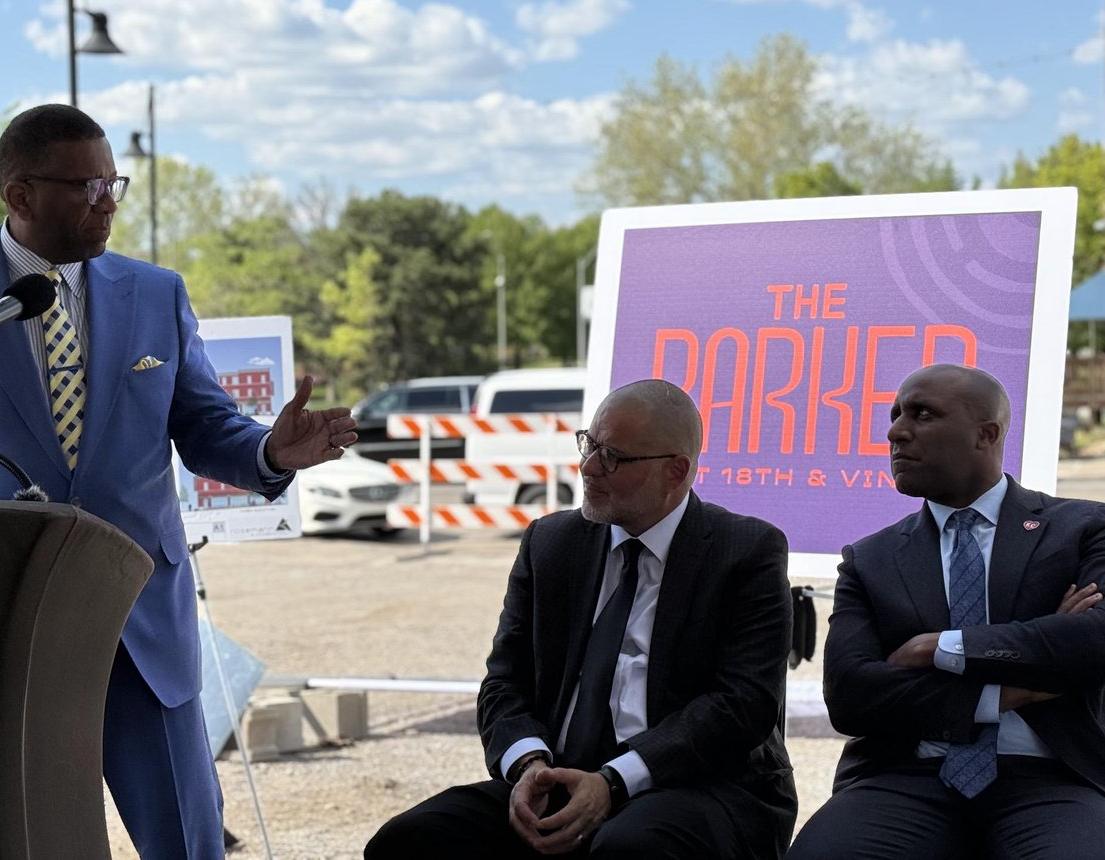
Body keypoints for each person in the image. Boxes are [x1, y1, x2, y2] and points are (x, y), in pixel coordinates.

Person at [0, 104, 358, 859]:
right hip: (5, 619)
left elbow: (208, 429)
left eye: (112, 180)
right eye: (86, 186)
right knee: (22, 839)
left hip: (143, 622)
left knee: (187, 843)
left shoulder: (156, 292)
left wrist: (273, 453)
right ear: (20, 196)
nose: (108, 200)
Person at [366, 379, 797, 859]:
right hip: (558, 775)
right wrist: (530, 765)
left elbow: (742, 706)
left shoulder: (745, 551)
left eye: (613, 456)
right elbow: (503, 684)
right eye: (589, 444)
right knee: (408, 840)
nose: (588, 467)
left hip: (696, 783)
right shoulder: (552, 543)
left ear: (676, 472)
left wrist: (614, 781)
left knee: (627, 848)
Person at [788, 364, 1105, 860]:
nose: (896, 431)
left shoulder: (1081, 528)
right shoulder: (870, 559)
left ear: (987, 434)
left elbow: (1095, 642)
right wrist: (1015, 688)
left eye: (922, 413)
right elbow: (851, 695)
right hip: (903, 780)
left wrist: (940, 647)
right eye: (895, 415)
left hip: (1054, 780)